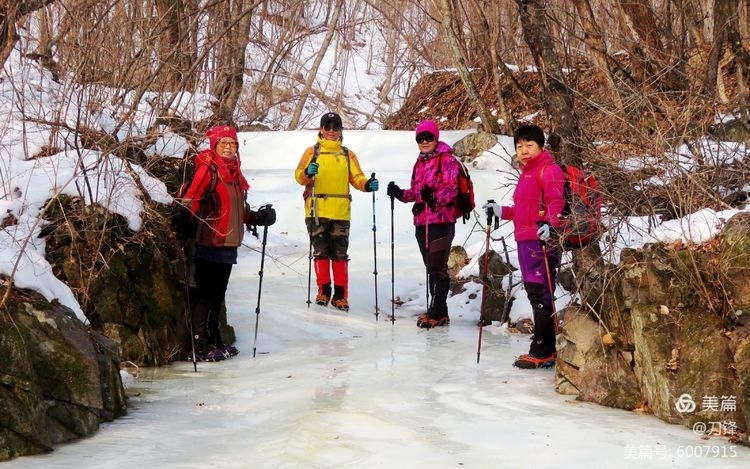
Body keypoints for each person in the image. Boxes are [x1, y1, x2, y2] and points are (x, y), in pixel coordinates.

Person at [177, 124, 276, 362]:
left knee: (218, 295)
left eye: (233, 144)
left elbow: (238, 211)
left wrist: (256, 218)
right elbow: (192, 197)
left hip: (228, 244)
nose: (230, 148)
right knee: (204, 294)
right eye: (225, 144)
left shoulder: (234, 174)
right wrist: (183, 216)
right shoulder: (208, 169)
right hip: (209, 241)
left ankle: (214, 337)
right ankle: (199, 342)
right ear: (215, 145)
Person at [483, 124, 565, 369]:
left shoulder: (548, 170)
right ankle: (545, 347)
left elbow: (555, 201)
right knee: (535, 291)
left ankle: (542, 350)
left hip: (541, 239)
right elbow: (522, 210)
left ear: (541, 146)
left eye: (530, 145)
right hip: (525, 238)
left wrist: (550, 225)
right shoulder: (527, 173)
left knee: (540, 292)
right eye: (520, 146)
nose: (524, 150)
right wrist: (501, 211)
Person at [294, 112, 378, 311]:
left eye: (335, 127)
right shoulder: (311, 152)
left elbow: (357, 177)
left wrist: (367, 184)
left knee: (340, 255)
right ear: (321, 129)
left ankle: (340, 296)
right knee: (321, 253)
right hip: (316, 210)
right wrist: (307, 173)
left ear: (341, 130)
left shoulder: (348, 154)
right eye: (327, 127)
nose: (331, 131)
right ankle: (323, 291)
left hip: (340, 211)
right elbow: (299, 176)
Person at [387, 120, 462, 329]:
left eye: (429, 137)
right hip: (422, 221)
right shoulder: (419, 162)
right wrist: (400, 193)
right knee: (431, 267)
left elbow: (452, 190)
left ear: (436, 138)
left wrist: (434, 197)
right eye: (421, 138)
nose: (425, 141)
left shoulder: (447, 160)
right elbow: (416, 193)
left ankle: (436, 312)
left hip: (441, 221)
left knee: (437, 268)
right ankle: (441, 312)